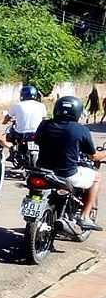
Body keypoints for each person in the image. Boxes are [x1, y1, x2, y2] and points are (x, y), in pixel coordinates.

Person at [35, 96, 106, 231]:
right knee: (97, 177)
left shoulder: (44, 125)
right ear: (78, 111)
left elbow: (38, 141)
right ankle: (85, 216)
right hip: (66, 174)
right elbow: (94, 156)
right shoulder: (81, 129)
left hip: (42, 171)